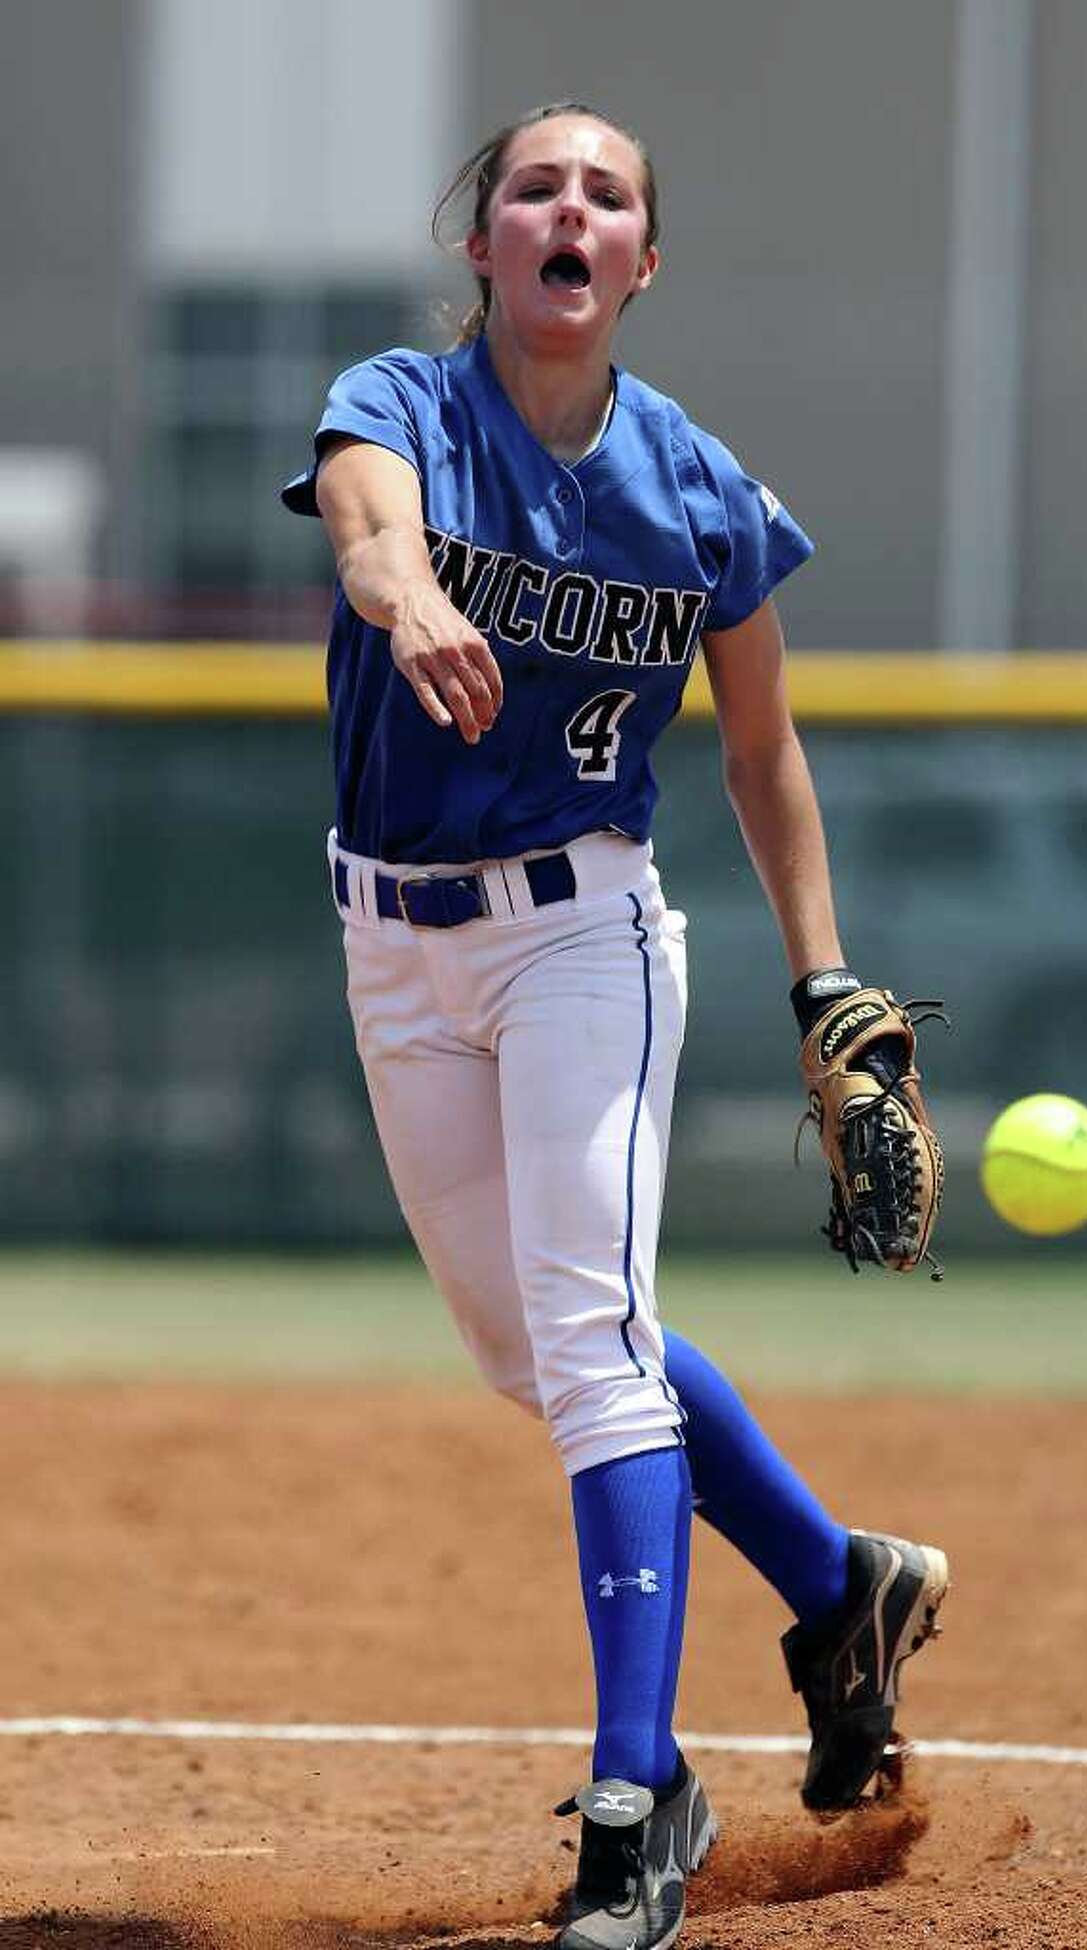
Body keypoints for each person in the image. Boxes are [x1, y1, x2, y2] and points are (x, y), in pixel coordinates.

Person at [282, 101, 949, 1950]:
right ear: (482, 242)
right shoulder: (401, 403)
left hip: (586, 932)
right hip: (394, 943)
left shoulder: (699, 491)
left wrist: (824, 979)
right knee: (545, 1349)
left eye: (608, 195)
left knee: (590, 1341)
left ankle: (640, 1797)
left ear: (642, 263)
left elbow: (759, 750)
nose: (568, 210)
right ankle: (841, 1586)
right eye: (534, 187)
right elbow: (362, 525)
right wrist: (407, 591)